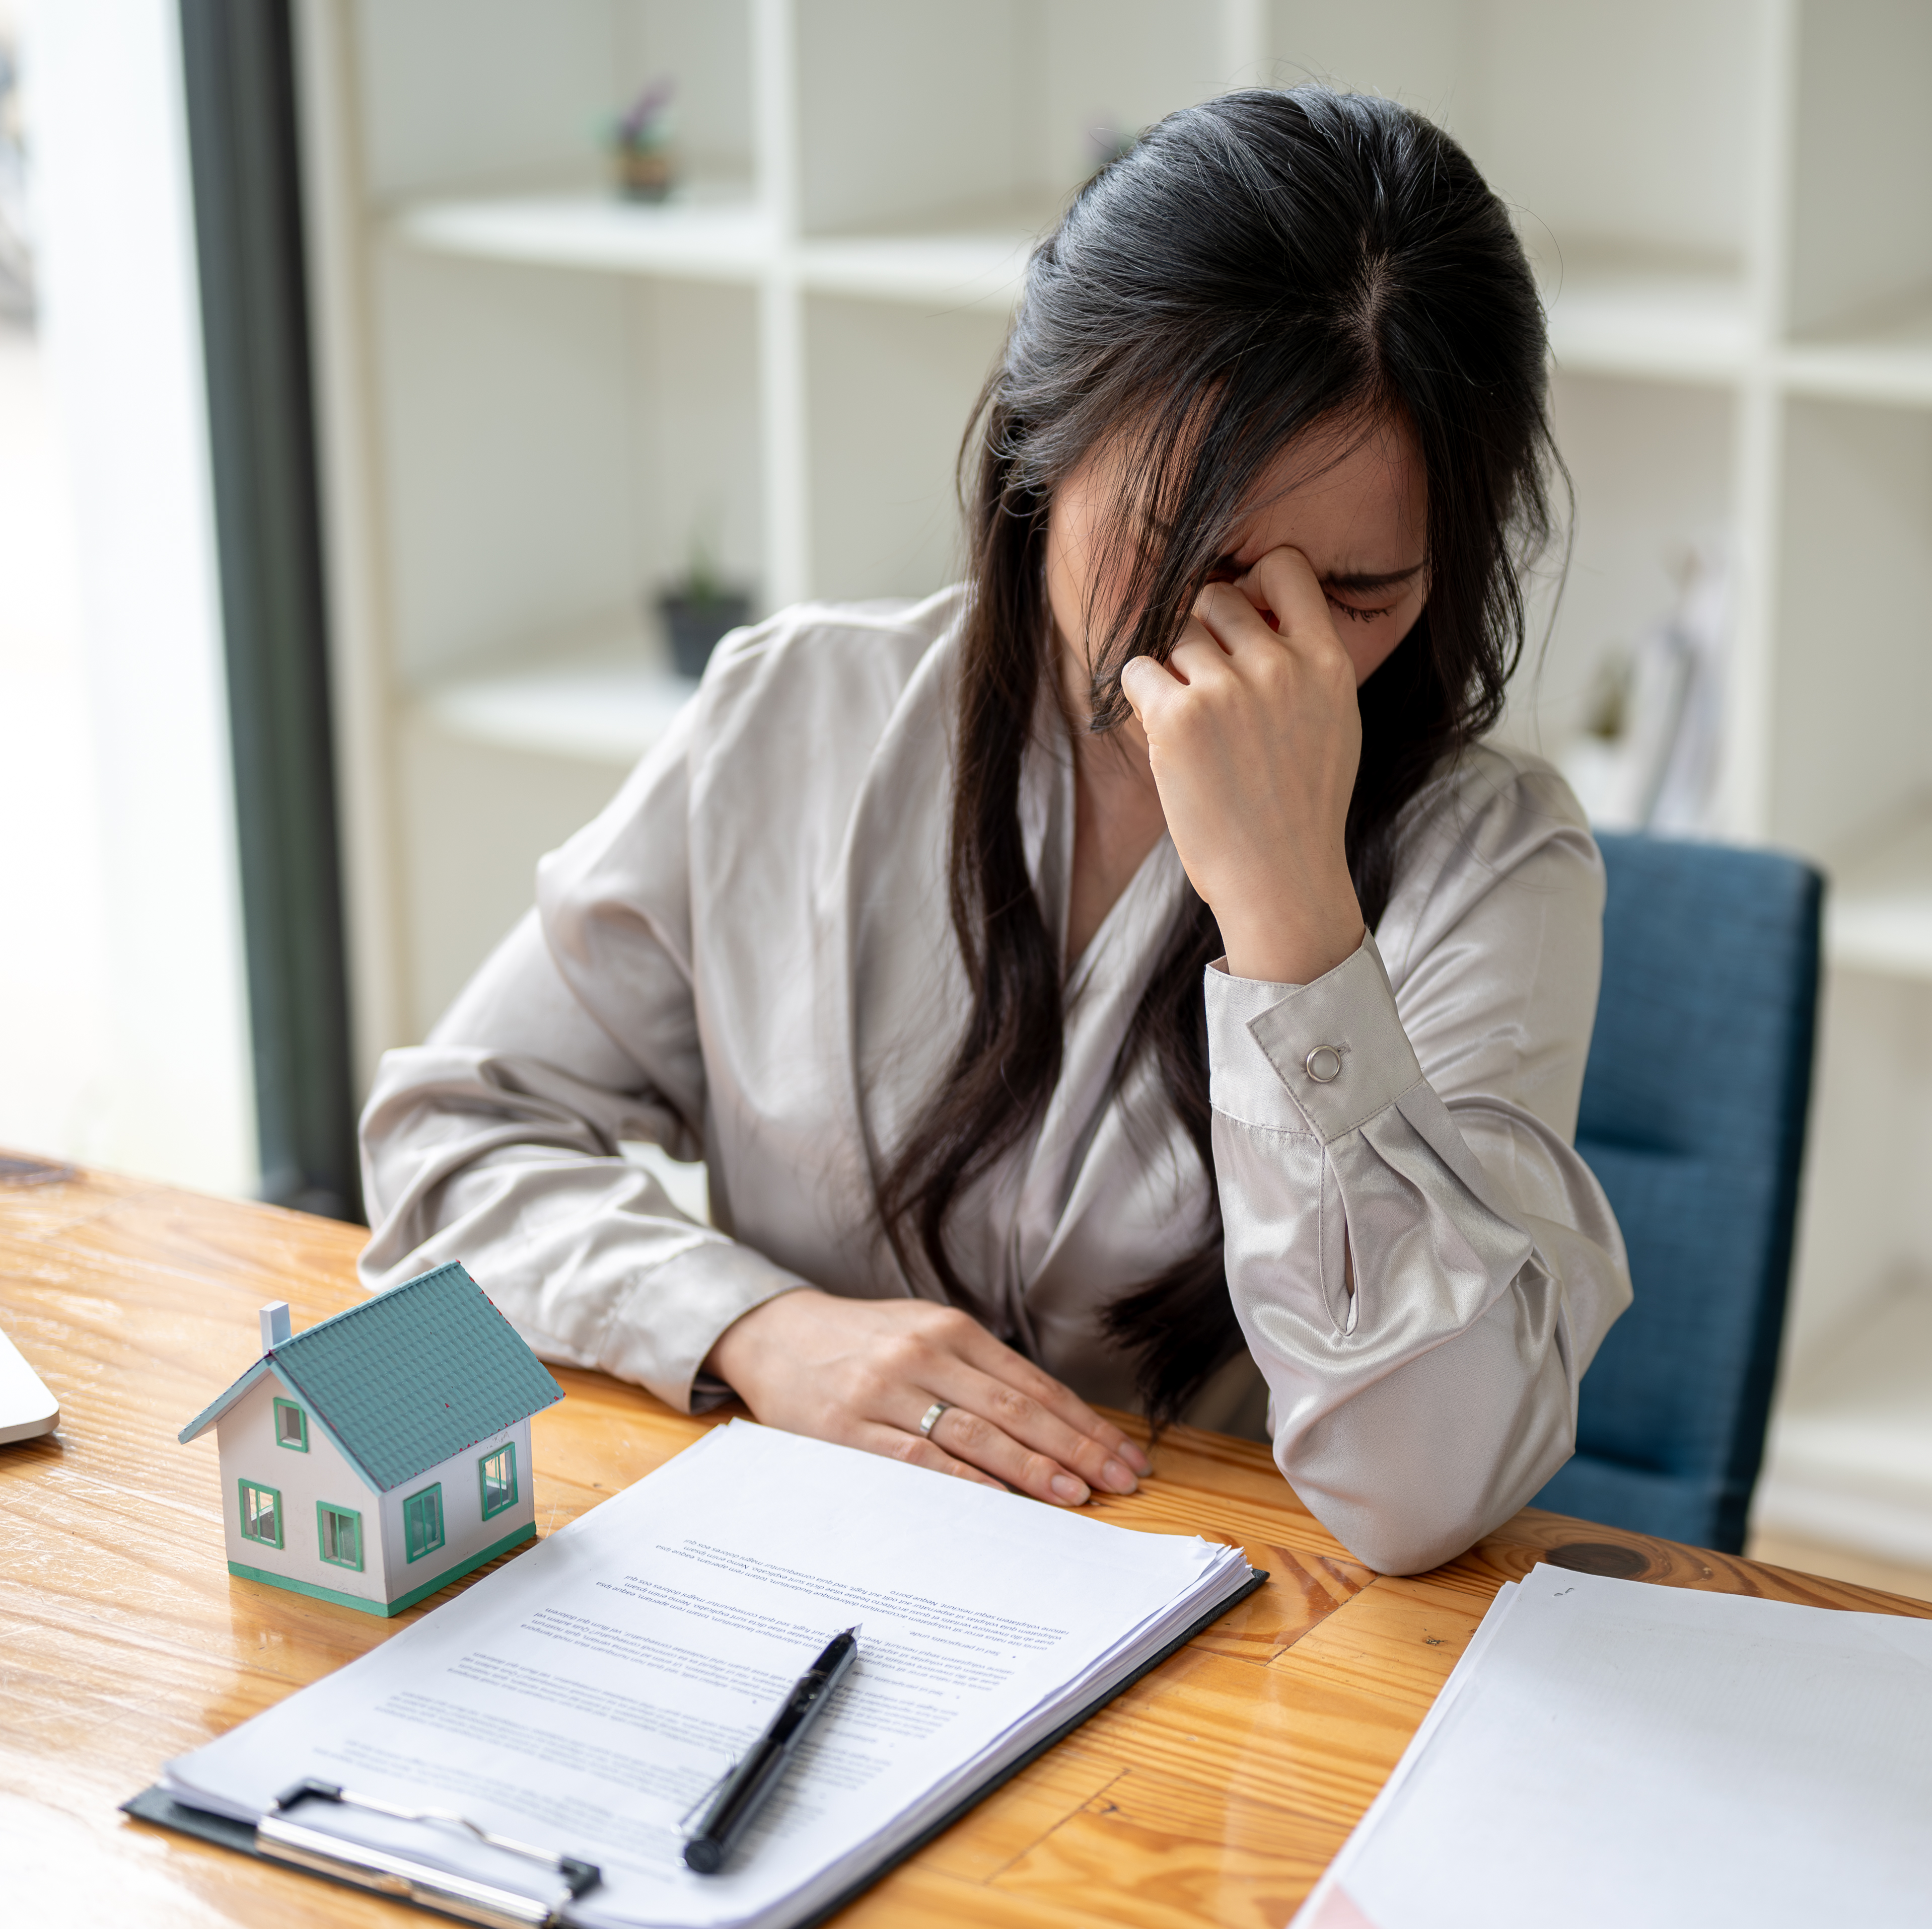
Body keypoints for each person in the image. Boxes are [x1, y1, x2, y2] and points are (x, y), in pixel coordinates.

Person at [357, 89, 1630, 1576]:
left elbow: (1421, 1491)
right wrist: (759, 1330)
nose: (1245, 648)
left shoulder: (1495, 867)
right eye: (1176, 545)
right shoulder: (798, 715)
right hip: (794, 1562)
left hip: (1227, 1656)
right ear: (1042, 446)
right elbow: (453, 1138)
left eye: (1352, 597)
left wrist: (1292, 920)